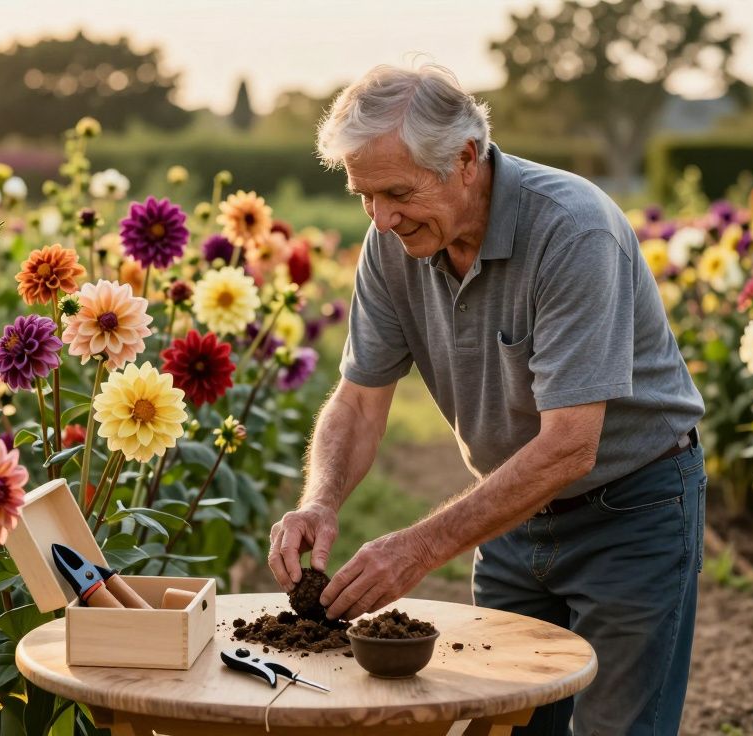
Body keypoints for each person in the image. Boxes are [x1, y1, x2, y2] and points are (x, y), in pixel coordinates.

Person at [266, 63, 705, 735]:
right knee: (505, 722)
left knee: (617, 728)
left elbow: (567, 448)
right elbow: (357, 404)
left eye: (396, 192)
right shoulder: (390, 245)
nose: (381, 218)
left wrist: (416, 548)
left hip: (631, 511)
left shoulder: (572, 230)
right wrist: (318, 503)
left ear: (466, 159)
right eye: (364, 196)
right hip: (509, 516)